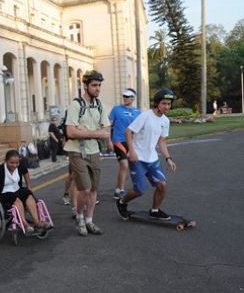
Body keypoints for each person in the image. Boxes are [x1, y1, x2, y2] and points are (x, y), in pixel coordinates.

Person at [116, 89, 177, 221]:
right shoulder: (146, 116)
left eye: (169, 104)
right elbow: (128, 131)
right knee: (140, 190)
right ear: (157, 103)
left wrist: (168, 158)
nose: (166, 106)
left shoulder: (165, 121)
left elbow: (162, 141)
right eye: (164, 103)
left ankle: (154, 210)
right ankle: (122, 202)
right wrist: (131, 151)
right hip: (137, 158)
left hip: (152, 159)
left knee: (162, 185)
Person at [64, 70, 111, 236]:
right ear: (85, 86)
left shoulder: (100, 105)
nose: (98, 88)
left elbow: (107, 131)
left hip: (94, 151)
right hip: (77, 151)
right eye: (94, 85)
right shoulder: (76, 105)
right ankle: (79, 217)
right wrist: (95, 133)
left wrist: (86, 131)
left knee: (93, 190)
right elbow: (71, 132)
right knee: (84, 189)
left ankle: (90, 221)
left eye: (99, 85)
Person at [0, 150, 51, 237]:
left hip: (17, 190)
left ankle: (37, 223)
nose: (14, 165)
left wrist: (29, 186)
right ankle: (25, 224)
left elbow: (26, 173)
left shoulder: (20, 167)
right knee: (16, 199)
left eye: (17, 163)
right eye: (11, 163)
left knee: (28, 194)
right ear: (6, 161)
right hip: (3, 193)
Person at [108, 88, 141, 200]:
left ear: (133, 98)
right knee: (124, 165)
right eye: (124, 96)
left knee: (131, 166)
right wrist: (108, 140)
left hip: (132, 142)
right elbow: (109, 125)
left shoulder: (137, 112)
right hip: (118, 140)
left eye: (128, 97)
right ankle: (121, 190)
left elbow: (140, 128)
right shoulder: (116, 109)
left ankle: (118, 188)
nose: (125, 98)